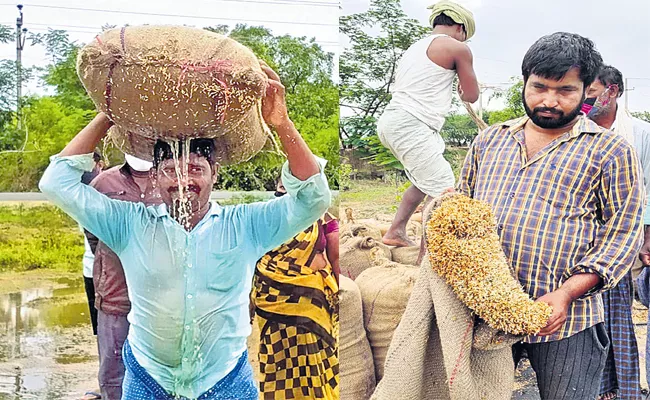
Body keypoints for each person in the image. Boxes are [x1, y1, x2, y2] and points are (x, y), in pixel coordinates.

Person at [39, 63, 331, 400]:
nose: (183, 180)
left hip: (225, 380)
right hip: (149, 378)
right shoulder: (130, 225)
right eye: (170, 170)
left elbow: (314, 198)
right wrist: (109, 113)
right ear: (156, 177)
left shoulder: (247, 226)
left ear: (215, 174)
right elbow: (55, 182)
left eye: (195, 169)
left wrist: (282, 124)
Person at [457, 32, 644, 399]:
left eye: (565, 91)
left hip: (567, 320)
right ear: (525, 81)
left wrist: (566, 293)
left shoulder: (610, 151)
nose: (549, 101)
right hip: (486, 313)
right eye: (539, 87)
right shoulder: (491, 140)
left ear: (585, 89)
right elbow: (464, 211)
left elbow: (623, 234)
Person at [376, 0, 479, 247]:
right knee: (443, 190)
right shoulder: (457, 48)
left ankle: (396, 231)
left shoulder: (414, 48)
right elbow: (471, 95)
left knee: (423, 182)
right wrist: (462, 85)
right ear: (461, 28)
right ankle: (428, 258)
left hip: (395, 120)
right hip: (411, 123)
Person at [585, 65, 650, 400]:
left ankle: (624, 388)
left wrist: (646, 240)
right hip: (580, 239)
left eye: (591, 94)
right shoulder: (577, 130)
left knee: (619, 315)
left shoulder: (640, 134)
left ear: (612, 92)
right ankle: (598, 387)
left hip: (623, 238)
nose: (584, 100)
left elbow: (649, 189)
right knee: (587, 318)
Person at [252, 177, 339, 399]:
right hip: (275, 299)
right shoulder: (268, 216)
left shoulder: (322, 217)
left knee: (310, 357)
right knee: (281, 359)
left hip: (311, 300)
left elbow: (336, 258)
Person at [83, 154, 162, 400]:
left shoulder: (172, 178)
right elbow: (92, 232)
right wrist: (112, 264)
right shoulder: (103, 184)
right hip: (116, 296)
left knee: (159, 371)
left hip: (161, 300)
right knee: (113, 372)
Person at [79, 150, 104, 400]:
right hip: (93, 271)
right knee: (102, 330)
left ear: (100, 164)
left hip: (114, 272)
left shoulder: (108, 187)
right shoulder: (79, 191)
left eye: (89, 163)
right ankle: (105, 381)